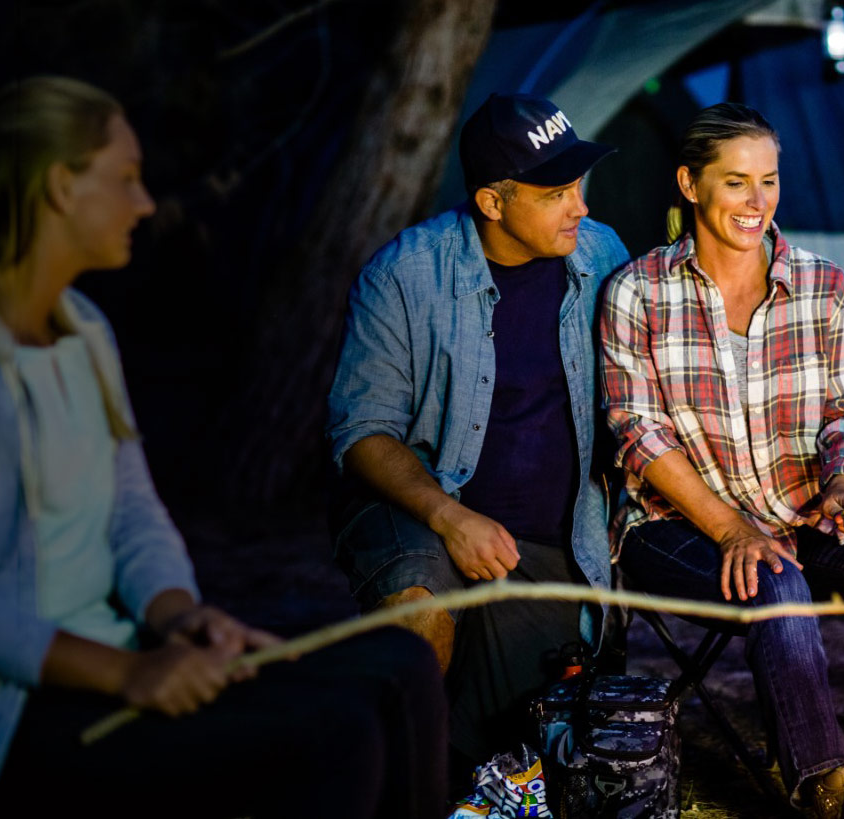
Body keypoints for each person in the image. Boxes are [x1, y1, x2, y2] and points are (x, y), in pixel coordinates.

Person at [0, 76, 445, 818]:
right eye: (125, 178)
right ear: (61, 187)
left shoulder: (83, 328)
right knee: (335, 738)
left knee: (398, 663)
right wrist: (125, 672)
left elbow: (131, 509)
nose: (146, 203)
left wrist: (179, 615)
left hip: (119, 650)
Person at [598, 102, 844, 819]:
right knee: (776, 580)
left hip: (798, 502)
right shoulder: (637, 293)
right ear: (690, 185)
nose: (757, 203)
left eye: (770, 181)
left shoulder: (825, 287)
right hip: (677, 521)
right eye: (736, 183)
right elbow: (637, 432)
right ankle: (824, 785)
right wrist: (728, 528)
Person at [326, 92, 629, 769]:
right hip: (424, 506)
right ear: (494, 203)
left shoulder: (602, 254)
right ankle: (395, 792)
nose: (579, 205)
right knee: (419, 611)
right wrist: (449, 516)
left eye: (578, 184)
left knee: (511, 745)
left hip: (555, 537)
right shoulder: (405, 275)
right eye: (555, 192)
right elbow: (363, 432)